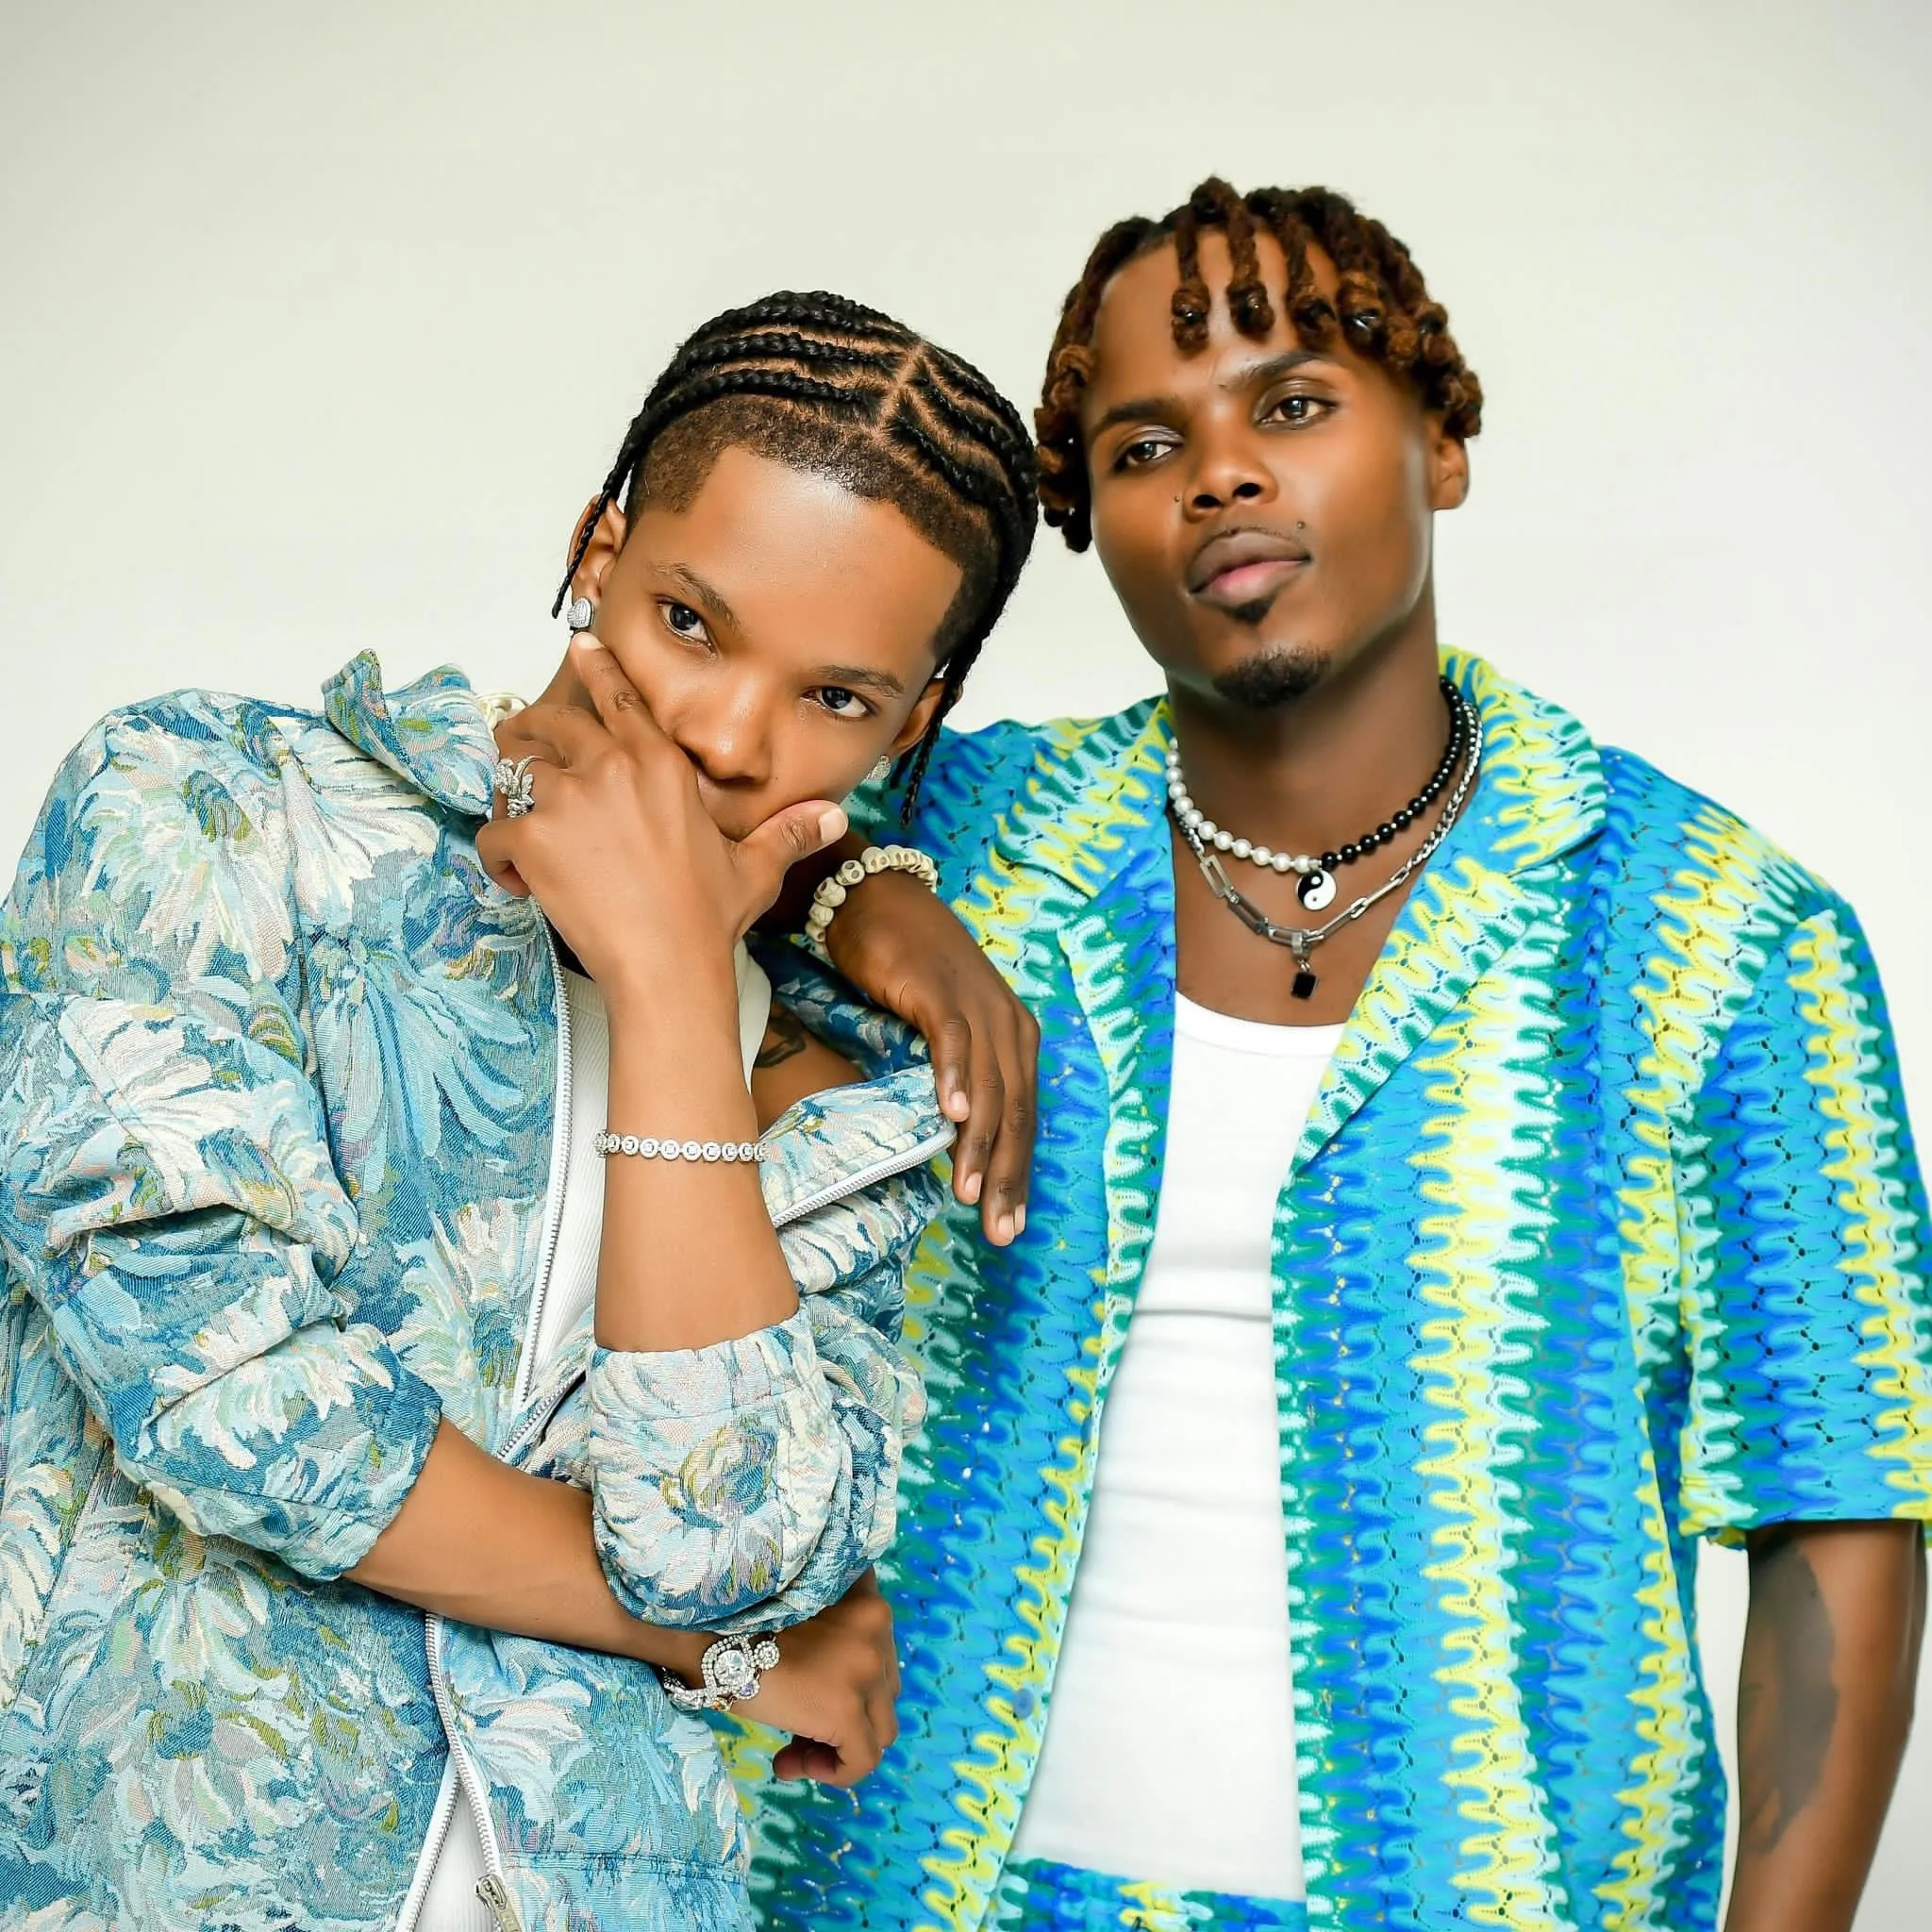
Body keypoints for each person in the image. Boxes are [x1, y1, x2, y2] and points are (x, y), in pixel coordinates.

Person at [738, 183, 1932, 1932]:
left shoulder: (1725, 939)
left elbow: (1841, 1509)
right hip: (897, 1886)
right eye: (1146, 447)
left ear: (1440, 441)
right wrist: (870, 902)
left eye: (1291, 404)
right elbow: (626, 781)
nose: (1221, 474)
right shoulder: (966, 837)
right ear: (1091, 521)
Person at [0, 291, 1045, 1932]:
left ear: (912, 725)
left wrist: (677, 996)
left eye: (835, 699)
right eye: (690, 620)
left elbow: (731, 1556)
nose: (725, 736)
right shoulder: (209, 813)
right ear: (595, 549)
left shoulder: (844, 1105)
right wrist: (705, 1653)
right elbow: (224, 1402)